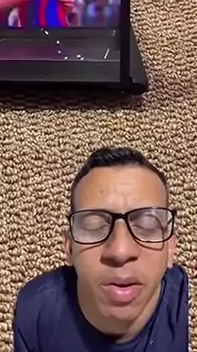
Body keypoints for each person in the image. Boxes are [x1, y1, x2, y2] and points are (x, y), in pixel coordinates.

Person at [13, 147, 189, 351]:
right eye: (95, 226)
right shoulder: (35, 313)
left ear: (171, 247)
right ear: (69, 247)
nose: (120, 251)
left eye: (147, 225)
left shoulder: (187, 311)